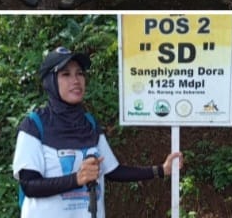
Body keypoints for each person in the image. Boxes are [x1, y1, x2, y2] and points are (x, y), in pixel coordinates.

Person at [13, 46, 183, 218]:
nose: (76, 80)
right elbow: (29, 185)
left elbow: (112, 171)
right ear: (50, 81)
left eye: (79, 73)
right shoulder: (35, 125)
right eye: (66, 74)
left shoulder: (89, 124)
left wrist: (160, 170)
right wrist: (76, 179)